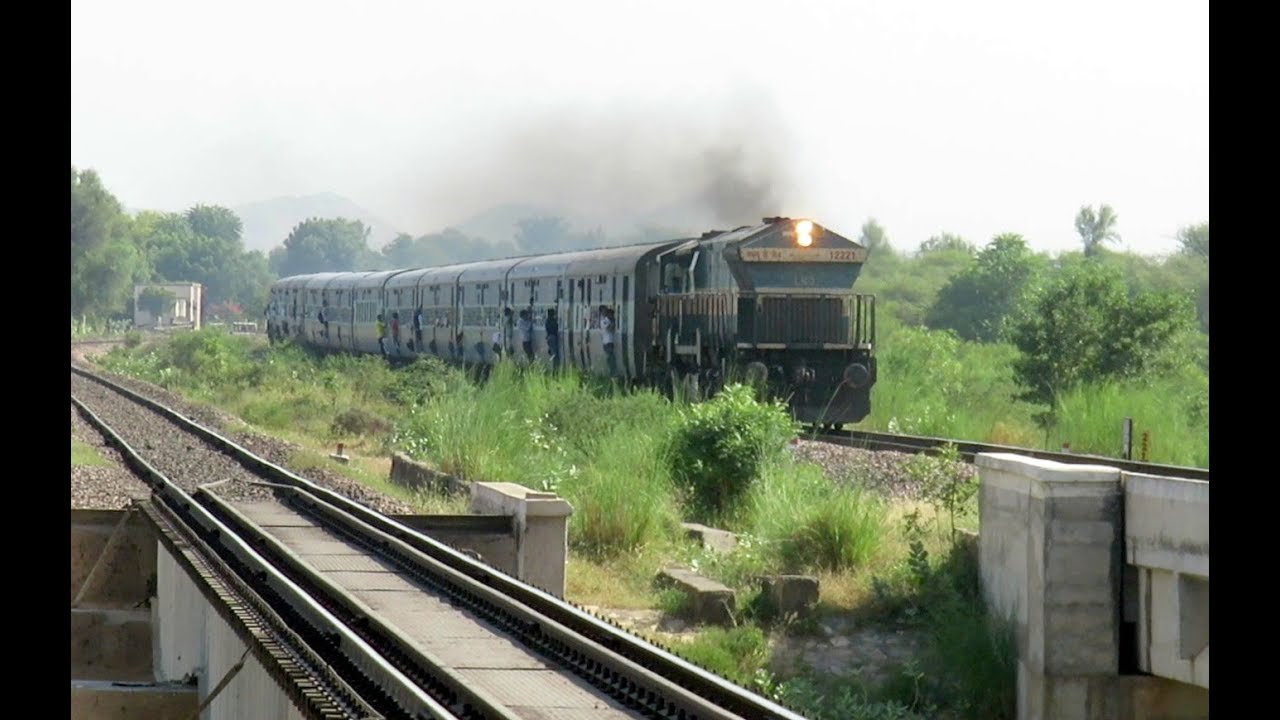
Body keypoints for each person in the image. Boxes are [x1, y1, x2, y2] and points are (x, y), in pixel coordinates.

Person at [600, 305, 617, 376]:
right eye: (604, 310)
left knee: (611, 357)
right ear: (601, 312)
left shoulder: (608, 319)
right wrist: (612, 322)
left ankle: (613, 372)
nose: (606, 311)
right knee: (610, 358)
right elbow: (610, 328)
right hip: (607, 342)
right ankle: (612, 373)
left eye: (606, 310)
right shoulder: (603, 321)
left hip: (610, 342)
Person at [545, 307, 560, 372]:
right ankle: (555, 370)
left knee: (552, 351)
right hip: (553, 337)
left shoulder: (547, 321)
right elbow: (556, 328)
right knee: (555, 355)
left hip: (549, 337)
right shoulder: (553, 320)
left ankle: (554, 369)